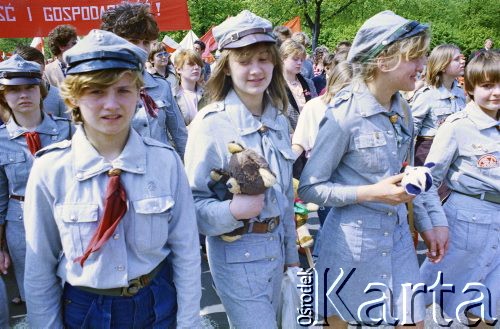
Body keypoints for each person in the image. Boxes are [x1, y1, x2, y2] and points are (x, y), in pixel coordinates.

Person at [23, 29, 201, 328]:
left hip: (156, 301)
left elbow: (185, 249)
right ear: (74, 97)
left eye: (123, 90)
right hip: (87, 307)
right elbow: (39, 266)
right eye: (96, 92)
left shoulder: (164, 161)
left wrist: (189, 321)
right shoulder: (51, 170)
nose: (111, 104)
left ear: (138, 94)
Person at [298, 10, 430, 327]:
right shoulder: (345, 114)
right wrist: (369, 193)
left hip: (397, 238)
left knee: (413, 321)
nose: (422, 66)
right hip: (351, 246)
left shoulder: (402, 107)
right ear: (384, 61)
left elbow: (408, 172)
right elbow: (309, 187)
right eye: (414, 58)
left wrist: (428, 223)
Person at [184, 10, 299, 328]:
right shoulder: (210, 125)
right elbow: (191, 206)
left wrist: (292, 258)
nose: (256, 69)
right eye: (244, 61)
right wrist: (233, 210)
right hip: (238, 255)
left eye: (264, 58)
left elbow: (286, 198)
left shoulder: (277, 118)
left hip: (276, 251)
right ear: (226, 67)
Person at [416, 50, 499, 327]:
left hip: (496, 228)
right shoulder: (457, 126)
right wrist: (433, 224)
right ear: (471, 87)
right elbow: (428, 181)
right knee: (422, 298)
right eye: (487, 86)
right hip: (464, 225)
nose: (496, 93)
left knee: (487, 309)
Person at [0, 54, 72, 307]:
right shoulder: (0, 140)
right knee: (36, 295)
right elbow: (0, 197)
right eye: (14, 90)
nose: (23, 95)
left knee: (73, 291)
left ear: (40, 91)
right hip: (20, 223)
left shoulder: (67, 130)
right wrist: (1, 245)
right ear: (4, 96)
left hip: (66, 216)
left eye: (30, 87)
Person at [101, 2, 188, 159]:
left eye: (146, 42)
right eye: (133, 41)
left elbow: (179, 134)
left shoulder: (162, 86)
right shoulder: (99, 90)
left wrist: (187, 173)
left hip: (161, 172)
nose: (141, 49)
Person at [411, 44, 466, 199]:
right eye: (456, 59)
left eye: (461, 58)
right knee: (431, 198)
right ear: (443, 65)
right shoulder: (427, 94)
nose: (462, 61)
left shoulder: (460, 92)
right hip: (428, 152)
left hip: (455, 153)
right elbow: (412, 127)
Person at [15, 45, 69, 118]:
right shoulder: (10, 96)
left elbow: (67, 124)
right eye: (27, 64)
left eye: (36, 64)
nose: (32, 68)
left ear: (43, 66)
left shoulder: (59, 95)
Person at [280, 39, 318, 133]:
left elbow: (316, 109)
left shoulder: (309, 83)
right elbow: (279, 116)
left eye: (301, 60)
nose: (300, 63)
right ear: (282, 58)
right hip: (289, 137)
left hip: (311, 134)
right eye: (295, 59)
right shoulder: (274, 86)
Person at [173, 49, 204, 126]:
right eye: (191, 64)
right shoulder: (172, 96)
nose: (197, 67)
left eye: (199, 64)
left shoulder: (209, 93)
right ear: (178, 69)